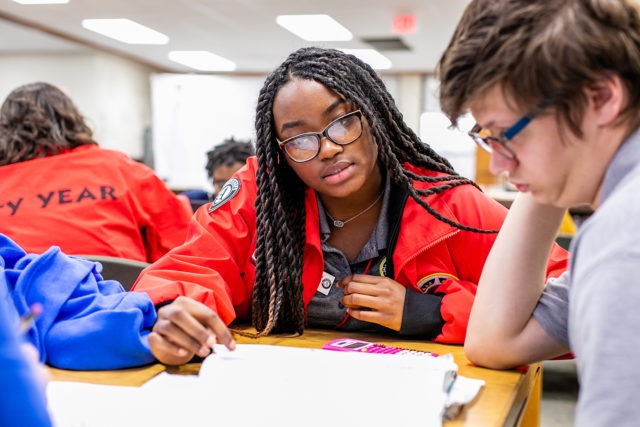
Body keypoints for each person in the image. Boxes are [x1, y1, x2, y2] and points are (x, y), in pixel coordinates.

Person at [132, 47, 567, 366]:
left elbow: (566, 304)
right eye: (300, 138)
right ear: (281, 152)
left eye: (343, 122)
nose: (326, 148)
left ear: (374, 117)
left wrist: (428, 312)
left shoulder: (448, 205)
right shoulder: (257, 193)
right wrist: (174, 310)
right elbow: (188, 269)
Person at [436, 0, 640, 425]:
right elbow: (494, 340)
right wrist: (553, 167)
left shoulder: (624, 239)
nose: (498, 166)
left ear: (601, 97)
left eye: (505, 134)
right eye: (487, 139)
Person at [0, 82, 192, 263]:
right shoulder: (117, 167)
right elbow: (181, 241)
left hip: (20, 295)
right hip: (120, 292)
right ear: (72, 121)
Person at [181, 137, 255, 204]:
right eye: (222, 184)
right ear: (212, 180)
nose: (228, 191)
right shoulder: (195, 201)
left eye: (238, 184)